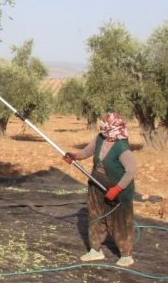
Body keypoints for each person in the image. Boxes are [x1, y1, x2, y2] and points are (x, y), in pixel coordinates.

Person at [63, 112, 137, 267]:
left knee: (120, 222)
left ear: (113, 126)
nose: (102, 124)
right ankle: (95, 250)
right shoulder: (100, 138)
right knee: (95, 217)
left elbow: (130, 171)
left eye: (105, 122)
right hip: (97, 185)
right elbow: (86, 152)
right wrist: (74, 156)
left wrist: (116, 189)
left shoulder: (122, 147)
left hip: (118, 191)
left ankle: (126, 254)